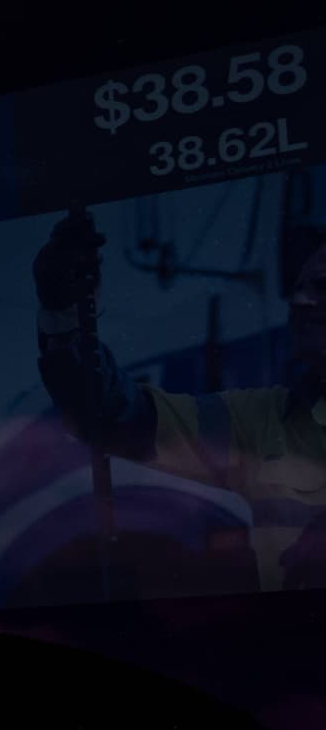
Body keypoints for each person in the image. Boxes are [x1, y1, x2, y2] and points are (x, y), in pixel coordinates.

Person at [36, 209, 326, 588]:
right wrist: (63, 314)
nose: (298, 300)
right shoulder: (264, 419)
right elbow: (114, 417)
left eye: (323, 287)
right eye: (296, 286)